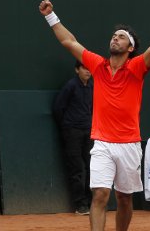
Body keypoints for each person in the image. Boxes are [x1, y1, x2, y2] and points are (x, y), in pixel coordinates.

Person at [39, 0, 150, 231]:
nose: (115, 38)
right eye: (114, 35)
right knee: (101, 195)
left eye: (121, 36)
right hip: (102, 143)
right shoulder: (97, 65)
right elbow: (68, 41)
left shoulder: (136, 68)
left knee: (124, 198)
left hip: (129, 144)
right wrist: (50, 16)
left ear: (131, 47)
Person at [53, 60, 94, 215]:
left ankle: (92, 203)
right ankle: (80, 205)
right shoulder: (70, 86)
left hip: (88, 132)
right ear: (77, 70)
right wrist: (67, 126)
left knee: (91, 167)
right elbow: (58, 108)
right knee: (77, 168)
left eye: (90, 69)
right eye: (84, 68)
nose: (88, 71)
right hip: (72, 132)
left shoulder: (91, 86)